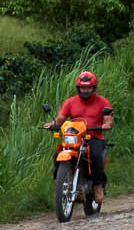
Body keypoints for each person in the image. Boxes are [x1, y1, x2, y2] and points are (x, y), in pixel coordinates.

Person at [44, 69, 113, 204]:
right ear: (78, 88)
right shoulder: (70, 102)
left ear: (94, 88)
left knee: (95, 155)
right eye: (82, 88)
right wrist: (52, 125)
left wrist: (105, 125)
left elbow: (108, 120)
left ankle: (97, 185)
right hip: (74, 136)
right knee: (57, 154)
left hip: (93, 136)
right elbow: (60, 119)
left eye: (88, 88)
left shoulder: (103, 102)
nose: (85, 91)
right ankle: (61, 183)